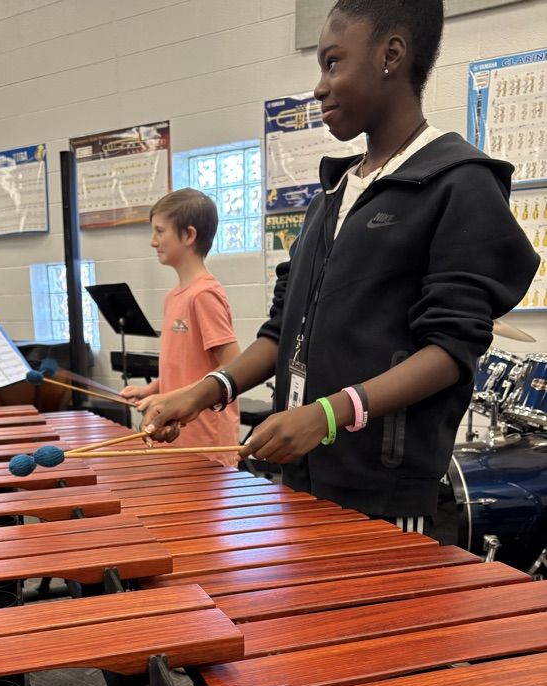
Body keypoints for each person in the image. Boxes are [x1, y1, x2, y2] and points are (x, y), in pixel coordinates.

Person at [143, 0, 539, 534]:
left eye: (333, 63)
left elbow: (450, 351)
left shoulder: (459, 184)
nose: (319, 86)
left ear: (391, 55)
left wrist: (327, 415)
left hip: (384, 495)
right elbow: (282, 332)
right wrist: (206, 391)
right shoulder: (330, 194)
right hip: (302, 481)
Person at [120, 188, 241, 467]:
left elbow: (233, 369)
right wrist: (152, 390)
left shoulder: (204, 295)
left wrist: (166, 398)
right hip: (178, 434)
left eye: (160, 231)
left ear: (189, 235)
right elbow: (188, 367)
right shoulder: (174, 295)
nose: (153, 242)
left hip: (208, 439)